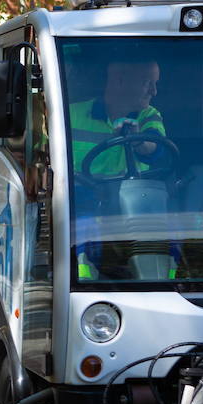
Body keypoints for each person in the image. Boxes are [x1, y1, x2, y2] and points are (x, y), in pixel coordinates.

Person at [69, 58, 168, 279]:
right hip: (81, 202)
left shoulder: (149, 115)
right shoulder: (69, 114)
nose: (154, 91)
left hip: (132, 205)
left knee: (173, 233)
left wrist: (137, 140)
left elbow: (156, 147)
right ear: (120, 80)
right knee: (83, 234)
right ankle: (83, 281)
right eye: (147, 82)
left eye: (155, 83)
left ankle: (166, 282)